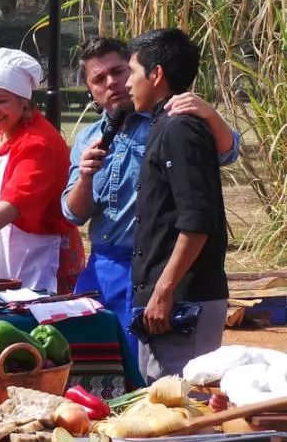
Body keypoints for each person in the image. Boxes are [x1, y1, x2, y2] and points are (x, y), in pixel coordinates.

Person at [62, 37, 239, 354]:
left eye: (119, 70)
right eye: (99, 79)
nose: (114, 83)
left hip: (160, 266)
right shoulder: (89, 138)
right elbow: (74, 214)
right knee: (96, 365)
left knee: (155, 376)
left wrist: (210, 115)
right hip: (106, 267)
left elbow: (228, 153)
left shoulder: (171, 120)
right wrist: (86, 177)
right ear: (90, 89)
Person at [125, 28, 229, 381]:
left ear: (156, 75)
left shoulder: (181, 128)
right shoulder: (166, 124)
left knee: (182, 411)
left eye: (133, 72)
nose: (127, 84)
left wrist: (164, 291)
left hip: (184, 303)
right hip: (170, 300)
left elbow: (198, 220)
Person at [0, 48, 82, 293]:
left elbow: (15, 204)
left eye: (1, 101)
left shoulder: (40, 142)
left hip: (38, 252)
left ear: (24, 101)